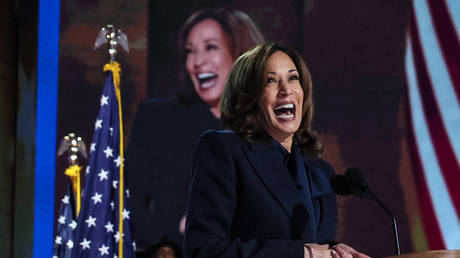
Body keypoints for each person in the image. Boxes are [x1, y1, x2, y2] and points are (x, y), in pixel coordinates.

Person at [184, 42, 370, 258]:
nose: (286, 90)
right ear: (248, 97)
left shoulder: (320, 171)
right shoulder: (224, 150)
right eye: (270, 81)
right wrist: (302, 254)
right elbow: (203, 251)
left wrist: (336, 252)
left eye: (293, 78)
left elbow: (314, 246)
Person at [126, 8, 265, 250]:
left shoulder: (268, 130)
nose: (197, 62)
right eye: (190, 51)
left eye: (210, 47)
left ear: (242, 55)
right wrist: (179, 226)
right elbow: (124, 208)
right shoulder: (158, 119)